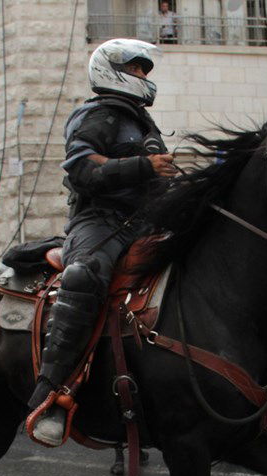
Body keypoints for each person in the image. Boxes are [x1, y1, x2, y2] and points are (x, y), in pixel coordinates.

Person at [27, 38, 176, 446]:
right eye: (136, 69)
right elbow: (80, 168)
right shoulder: (97, 115)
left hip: (144, 223)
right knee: (86, 274)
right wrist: (144, 165)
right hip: (100, 221)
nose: (144, 77)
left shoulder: (144, 123)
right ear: (111, 70)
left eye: (146, 70)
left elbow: (156, 182)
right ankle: (51, 393)